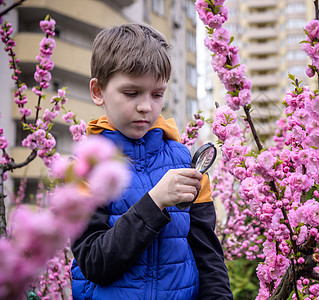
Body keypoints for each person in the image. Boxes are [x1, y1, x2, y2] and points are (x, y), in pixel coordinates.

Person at [70, 23, 233, 300]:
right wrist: (154, 201)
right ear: (98, 91)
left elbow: (209, 259)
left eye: (157, 94)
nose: (146, 106)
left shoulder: (187, 163)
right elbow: (95, 263)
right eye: (131, 93)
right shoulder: (83, 169)